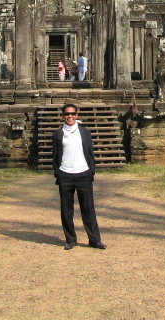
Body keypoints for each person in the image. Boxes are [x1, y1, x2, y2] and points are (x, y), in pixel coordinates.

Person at [52, 103, 106, 250]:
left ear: (76, 115)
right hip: (65, 174)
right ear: (63, 116)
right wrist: (59, 172)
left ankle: (94, 240)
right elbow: (55, 155)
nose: (70, 116)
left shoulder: (85, 132)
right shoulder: (58, 134)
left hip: (83, 174)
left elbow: (90, 153)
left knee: (88, 208)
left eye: (72, 113)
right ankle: (70, 239)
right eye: (67, 114)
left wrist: (91, 171)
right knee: (66, 209)